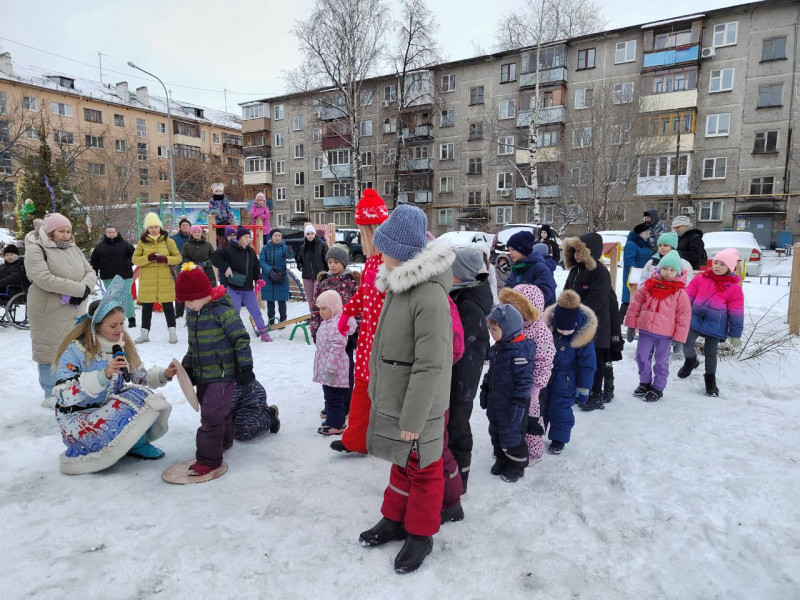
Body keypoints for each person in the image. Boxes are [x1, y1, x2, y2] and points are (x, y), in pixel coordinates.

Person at [358, 204, 454, 575]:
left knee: (424, 470)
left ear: (399, 251)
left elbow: (432, 364)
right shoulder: (397, 285)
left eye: (383, 247)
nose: (378, 253)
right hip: (398, 398)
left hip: (420, 406)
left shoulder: (428, 296)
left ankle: (421, 533)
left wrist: (415, 416)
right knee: (402, 463)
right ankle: (394, 519)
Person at [51, 276, 174, 474]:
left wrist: (165, 374)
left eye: (121, 324)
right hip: (78, 420)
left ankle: (134, 443)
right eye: (113, 326)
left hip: (106, 411)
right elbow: (63, 396)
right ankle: (97, 452)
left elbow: (139, 377)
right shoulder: (75, 351)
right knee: (133, 399)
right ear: (97, 326)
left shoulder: (121, 345)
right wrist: (103, 376)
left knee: (141, 395)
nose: (120, 330)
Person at [176, 263, 257, 476]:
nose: (188, 304)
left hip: (223, 374)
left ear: (204, 293)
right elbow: (193, 345)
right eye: (185, 301)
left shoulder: (223, 312)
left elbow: (241, 339)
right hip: (204, 374)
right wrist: (188, 368)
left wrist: (245, 366)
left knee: (211, 416)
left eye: (191, 299)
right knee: (217, 411)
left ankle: (208, 459)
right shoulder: (193, 314)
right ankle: (224, 440)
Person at [331, 189, 389, 454]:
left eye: (362, 232)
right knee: (362, 389)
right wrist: (346, 311)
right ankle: (356, 439)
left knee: (382, 392)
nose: (359, 238)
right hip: (368, 339)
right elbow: (365, 294)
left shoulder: (389, 264)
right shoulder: (371, 262)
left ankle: (384, 439)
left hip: (386, 341)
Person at [24, 213, 96, 406]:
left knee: (74, 349)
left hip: (75, 308)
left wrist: (86, 287)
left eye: (68, 231)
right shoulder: (36, 249)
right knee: (49, 350)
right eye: (61, 231)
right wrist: (78, 289)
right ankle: (51, 393)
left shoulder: (73, 247)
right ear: (49, 232)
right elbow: (41, 277)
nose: (66, 235)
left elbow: (89, 270)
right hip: (48, 309)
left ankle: (72, 386)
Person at [446, 245, 493, 500]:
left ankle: (459, 478)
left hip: (462, 376)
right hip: (459, 372)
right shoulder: (465, 293)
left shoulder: (469, 304)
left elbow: (462, 347)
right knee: (454, 423)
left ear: (463, 273)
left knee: (457, 425)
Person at [498, 285, 555, 466]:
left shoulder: (541, 332)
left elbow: (545, 359)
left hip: (530, 385)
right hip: (508, 381)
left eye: (518, 307)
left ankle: (534, 450)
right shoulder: (510, 326)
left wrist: (536, 387)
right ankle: (510, 446)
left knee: (530, 418)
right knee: (508, 415)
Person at [624, 251, 692, 402]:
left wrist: (679, 339)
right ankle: (645, 382)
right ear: (659, 268)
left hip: (665, 334)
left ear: (678, 272)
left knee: (661, 361)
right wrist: (630, 326)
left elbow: (684, 317)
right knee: (641, 357)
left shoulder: (680, 293)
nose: (668, 272)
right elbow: (634, 306)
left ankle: (658, 388)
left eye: (672, 270)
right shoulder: (647, 286)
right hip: (645, 331)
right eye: (665, 268)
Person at [480, 304, 535, 483]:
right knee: (496, 433)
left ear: (509, 329)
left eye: (494, 329)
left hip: (512, 406)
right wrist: (485, 389)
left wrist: (519, 406)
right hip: (496, 403)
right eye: (490, 328)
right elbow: (491, 373)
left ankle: (516, 466)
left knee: (512, 436)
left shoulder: (519, 352)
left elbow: (523, 383)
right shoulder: (498, 347)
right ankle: (502, 459)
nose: (491, 332)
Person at [678, 248, 744, 397]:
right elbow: (687, 296)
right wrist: (681, 312)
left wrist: (735, 333)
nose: (717, 266)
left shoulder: (734, 288)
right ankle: (691, 360)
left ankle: (710, 381)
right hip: (695, 318)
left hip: (716, 324)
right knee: (686, 342)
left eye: (722, 264)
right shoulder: (701, 279)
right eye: (716, 263)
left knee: (710, 352)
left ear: (730, 267)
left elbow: (736, 312)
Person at [539, 290, 597, 455]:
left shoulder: (582, 338)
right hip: (545, 376)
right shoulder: (547, 330)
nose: (564, 332)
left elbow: (587, 366)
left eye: (568, 330)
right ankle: (537, 432)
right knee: (541, 405)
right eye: (560, 329)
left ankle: (559, 438)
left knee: (560, 409)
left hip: (566, 380)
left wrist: (584, 390)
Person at [562, 233, 612, 411]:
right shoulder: (575, 270)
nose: (577, 255)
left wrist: (579, 314)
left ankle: (596, 393)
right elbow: (567, 291)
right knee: (578, 357)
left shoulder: (599, 272)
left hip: (594, 323)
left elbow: (596, 298)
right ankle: (581, 389)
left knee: (594, 360)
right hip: (576, 320)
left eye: (581, 251)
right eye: (575, 251)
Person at [211, 226, 270, 342]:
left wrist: (258, 279)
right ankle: (233, 335)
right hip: (234, 287)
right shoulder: (228, 250)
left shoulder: (251, 252)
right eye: (245, 237)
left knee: (256, 311)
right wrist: (226, 267)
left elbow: (256, 269)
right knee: (234, 313)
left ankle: (264, 333)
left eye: (249, 237)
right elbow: (214, 257)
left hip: (248, 288)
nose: (248, 239)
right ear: (239, 238)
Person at [131, 212, 182, 344]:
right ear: (147, 229)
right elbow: (135, 259)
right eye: (150, 227)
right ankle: (144, 334)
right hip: (147, 280)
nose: (153, 230)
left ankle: (172, 332)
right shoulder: (142, 243)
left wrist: (165, 259)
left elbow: (178, 258)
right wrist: (148, 258)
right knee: (146, 308)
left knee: (168, 306)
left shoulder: (169, 241)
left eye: (156, 227)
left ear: (160, 227)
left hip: (165, 279)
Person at [314, 290, 357, 436]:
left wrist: (330, 370)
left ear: (334, 307)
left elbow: (337, 348)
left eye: (324, 308)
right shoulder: (330, 322)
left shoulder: (337, 325)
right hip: (330, 368)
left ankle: (336, 425)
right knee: (331, 396)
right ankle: (334, 421)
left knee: (334, 398)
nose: (321, 312)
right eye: (319, 309)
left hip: (334, 370)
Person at [89, 224, 136, 328]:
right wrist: (95, 273)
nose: (111, 234)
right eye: (109, 232)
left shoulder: (125, 244)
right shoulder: (100, 247)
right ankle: (115, 318)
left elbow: (135, 255)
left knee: (127, 296)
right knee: (111, 298)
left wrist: (127, 263)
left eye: (113, 232)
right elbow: (94, 261)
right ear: (106, 233)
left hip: (125, 275)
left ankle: (131, 318)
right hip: (108, 275)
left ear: (116, 232)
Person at [505, 230, 556, 307]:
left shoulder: (539, 268)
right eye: (509, 250)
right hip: (518, 313)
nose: (510, 253)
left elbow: (545, 291)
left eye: (513, 249)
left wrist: (520, 296)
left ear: (523, 249)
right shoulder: (517, 267)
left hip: (536, 315)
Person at [259, 228, 293, 324]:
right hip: (268, 277)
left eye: (279, 236)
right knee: (270, 301)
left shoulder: (284, 247)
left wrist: (290, 252)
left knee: (282, 300)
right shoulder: (265, 248)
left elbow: (289, 256)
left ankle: (283, 321)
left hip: (280, 277)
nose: (277, 238)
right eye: (275, 236)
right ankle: (271, 321)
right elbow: (261, 261)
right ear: (271, 237)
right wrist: (269, 271)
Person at [621, 222, 653, 322]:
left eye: (649, 233)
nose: (648, 236)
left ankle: (636, 320)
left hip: (643, 275)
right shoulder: (631, 244)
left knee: (639, 299)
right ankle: (619, 319)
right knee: (629, 298)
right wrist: (637, 271)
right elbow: (629, 260)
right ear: (639, 234)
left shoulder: (645, 244)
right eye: (646, 233)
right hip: (633, 275)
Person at [295, 224, 328, 312]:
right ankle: (313, 317)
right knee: (310, 300)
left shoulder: (322, 245)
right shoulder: (302, 248)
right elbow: (298, 260)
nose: (310, 235)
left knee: (317, 298)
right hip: (307, 276)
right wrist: (301, 267)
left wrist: (327, 272)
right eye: (308, 234)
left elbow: (326, 260)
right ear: (305, 235)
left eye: (312, 233)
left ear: (315, 234)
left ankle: (320, 316)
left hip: (319, 276)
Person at [170, 217, 192, 319]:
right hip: (178, 266)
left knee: (192, 288)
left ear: (190, 226)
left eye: (187, 225)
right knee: (179, 289)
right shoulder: (174, 239)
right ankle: (179, 312)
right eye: (183, 225)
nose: (185, 227)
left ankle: (192, 309)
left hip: (191, 266)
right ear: (179, 227)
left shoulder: (194, 236)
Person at [208, 182, 236, 247]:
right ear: (214, 192)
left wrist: (231, 217)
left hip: (225, 219)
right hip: (217, 221)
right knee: (220, 233)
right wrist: (213, 213)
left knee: (229, 230)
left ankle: (229, 243)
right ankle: (221, 244)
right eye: (217, 191)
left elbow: (229, 209)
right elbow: (210, 209)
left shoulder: (225, 200)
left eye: (220, 191)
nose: (218, 192)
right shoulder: (212, 200)